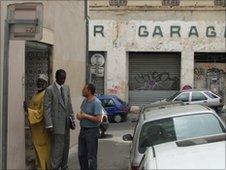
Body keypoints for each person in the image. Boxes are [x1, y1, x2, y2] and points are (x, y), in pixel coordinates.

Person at [44, 69, 75, 170]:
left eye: (64, 78)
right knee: (57, 149)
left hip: (66, 124)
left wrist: (72, 119)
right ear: (56, 77)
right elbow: (47, 108)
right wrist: (49, 125)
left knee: (65, 148)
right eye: (61, 78)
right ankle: (54, 167)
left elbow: (69, 104)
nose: (63, 80)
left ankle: (64, 166)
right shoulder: (50, 90)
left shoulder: (66, 88)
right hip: (56, 125)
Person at [23, 74, 51, 170]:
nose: (39, 83)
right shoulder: (37, 94)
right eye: (38, 81)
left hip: (41, 130)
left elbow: (41, 113)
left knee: (43, 151)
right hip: (35, 130)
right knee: (37, 150)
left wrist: (28, 110)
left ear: (46, 84)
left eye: (41, 82)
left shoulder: (45, 95)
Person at [77, 83, 103, 170]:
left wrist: (85, 116)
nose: (82, 90)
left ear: (89, 91)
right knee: (81, 154)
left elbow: (98, 119)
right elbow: (82, 112)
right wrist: (79, 115)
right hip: (83, 131)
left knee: (91, 156)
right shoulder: (84, 101)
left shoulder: (96, 102)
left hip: (92, 132)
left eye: (84, 89)